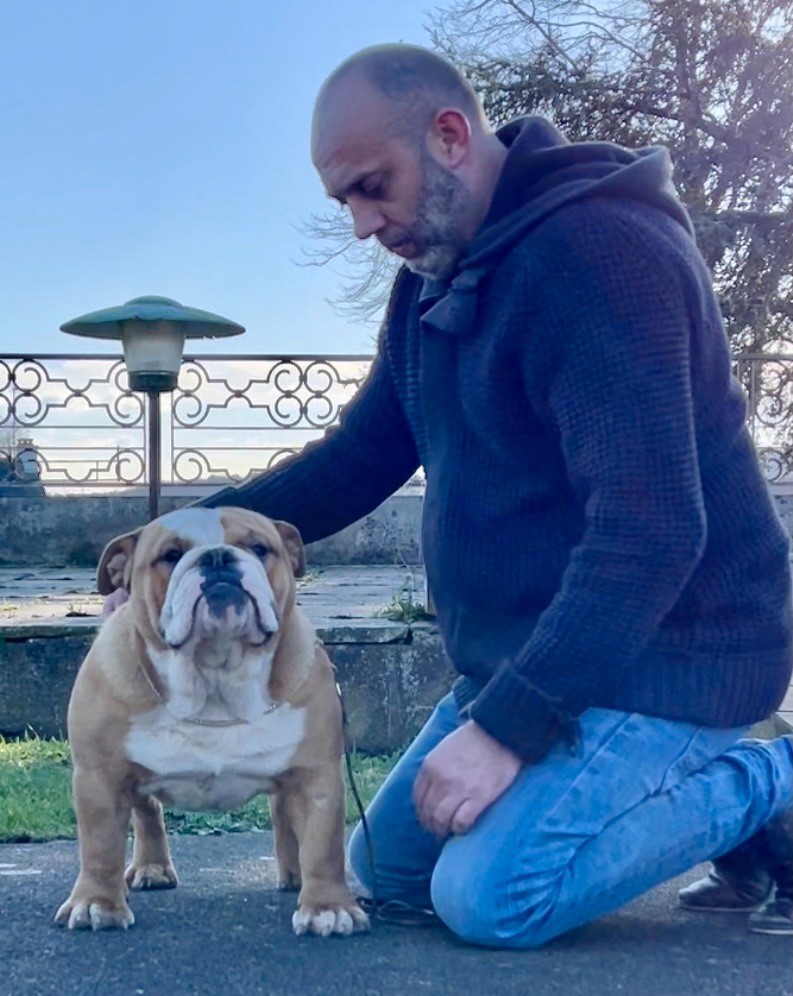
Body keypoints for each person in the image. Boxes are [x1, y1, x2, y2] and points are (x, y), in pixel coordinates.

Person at [109, 44, 793, 946]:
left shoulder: (604, 255)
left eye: (372, 187)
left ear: (448, 135)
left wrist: (506, 730)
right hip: (541, 654)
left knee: (493, 899)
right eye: (345, 201)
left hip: (674, 655)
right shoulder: (428, 284)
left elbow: (651, 530)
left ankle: (768, 783)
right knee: (380, 874)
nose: (364, 223)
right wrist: (185, 539)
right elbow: (359, 457)